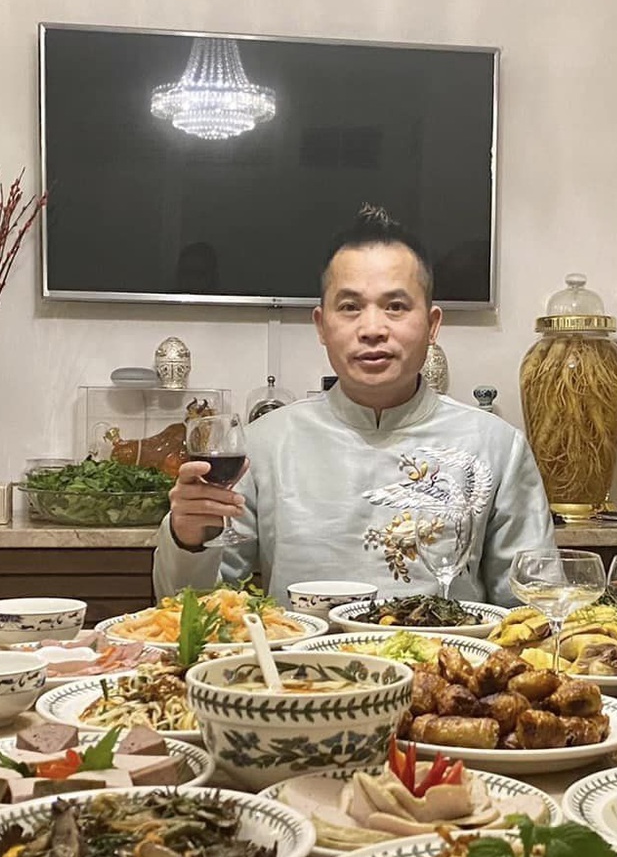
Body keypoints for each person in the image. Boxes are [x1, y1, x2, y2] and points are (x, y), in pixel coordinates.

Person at [154, 205, 555, 603]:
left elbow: (536, 609)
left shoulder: (496, 446)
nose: (372, 329)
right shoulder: (261, 447)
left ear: (432, 325)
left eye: (395, 307)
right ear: (321, 326)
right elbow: (189, 611)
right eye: (349, 307)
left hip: (450, 663)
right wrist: (187, 539)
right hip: (299, 665)